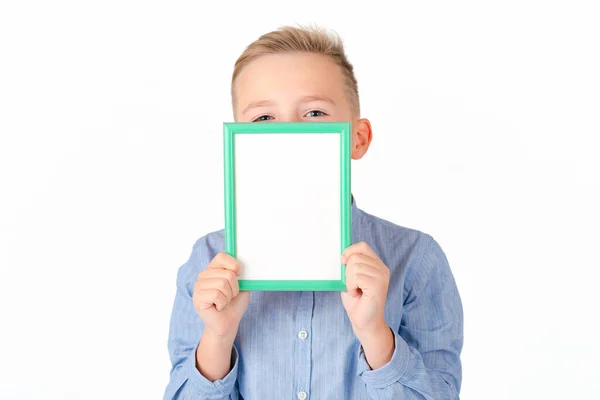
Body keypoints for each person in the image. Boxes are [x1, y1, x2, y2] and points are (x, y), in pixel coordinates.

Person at [164, 25, 463, 400]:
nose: (289, 135)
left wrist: (375, 333)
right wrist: (218, 337)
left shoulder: (416, 258)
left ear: (359, 138)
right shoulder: (207, 260)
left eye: (314, 112)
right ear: (236, 142)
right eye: (263, 119)